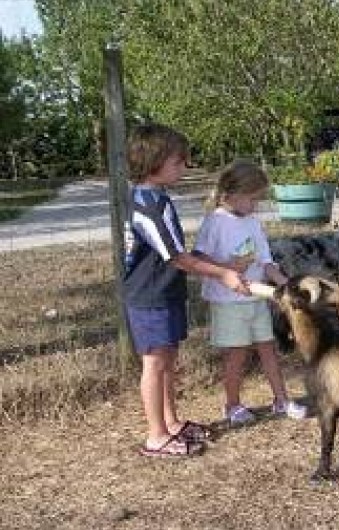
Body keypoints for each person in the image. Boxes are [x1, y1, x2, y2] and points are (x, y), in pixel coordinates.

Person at [125, 123, 250, 458]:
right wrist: (222, 273)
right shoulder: (148, 206)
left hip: (165, 292)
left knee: (167, 359)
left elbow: (180, 254)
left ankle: (171, 422)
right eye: (178, 162)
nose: (184, 167)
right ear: (154, 162)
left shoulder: (158, 198)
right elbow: (178, 258)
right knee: (154, 364)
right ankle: (155, 435)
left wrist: (223, 265)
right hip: (149, 297)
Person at [194, 160, 307, 426]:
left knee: (268, 348)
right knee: (237, 354)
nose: (255, 205)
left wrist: (284, 285)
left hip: (256, 298)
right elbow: (197, 259)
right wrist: (227, 269)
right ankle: (232, 405)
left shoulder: (253, 223)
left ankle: (281, 400)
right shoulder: (215, 222)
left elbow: (266, 262)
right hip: (228, 302)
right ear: (231, 194)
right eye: (252, 199)